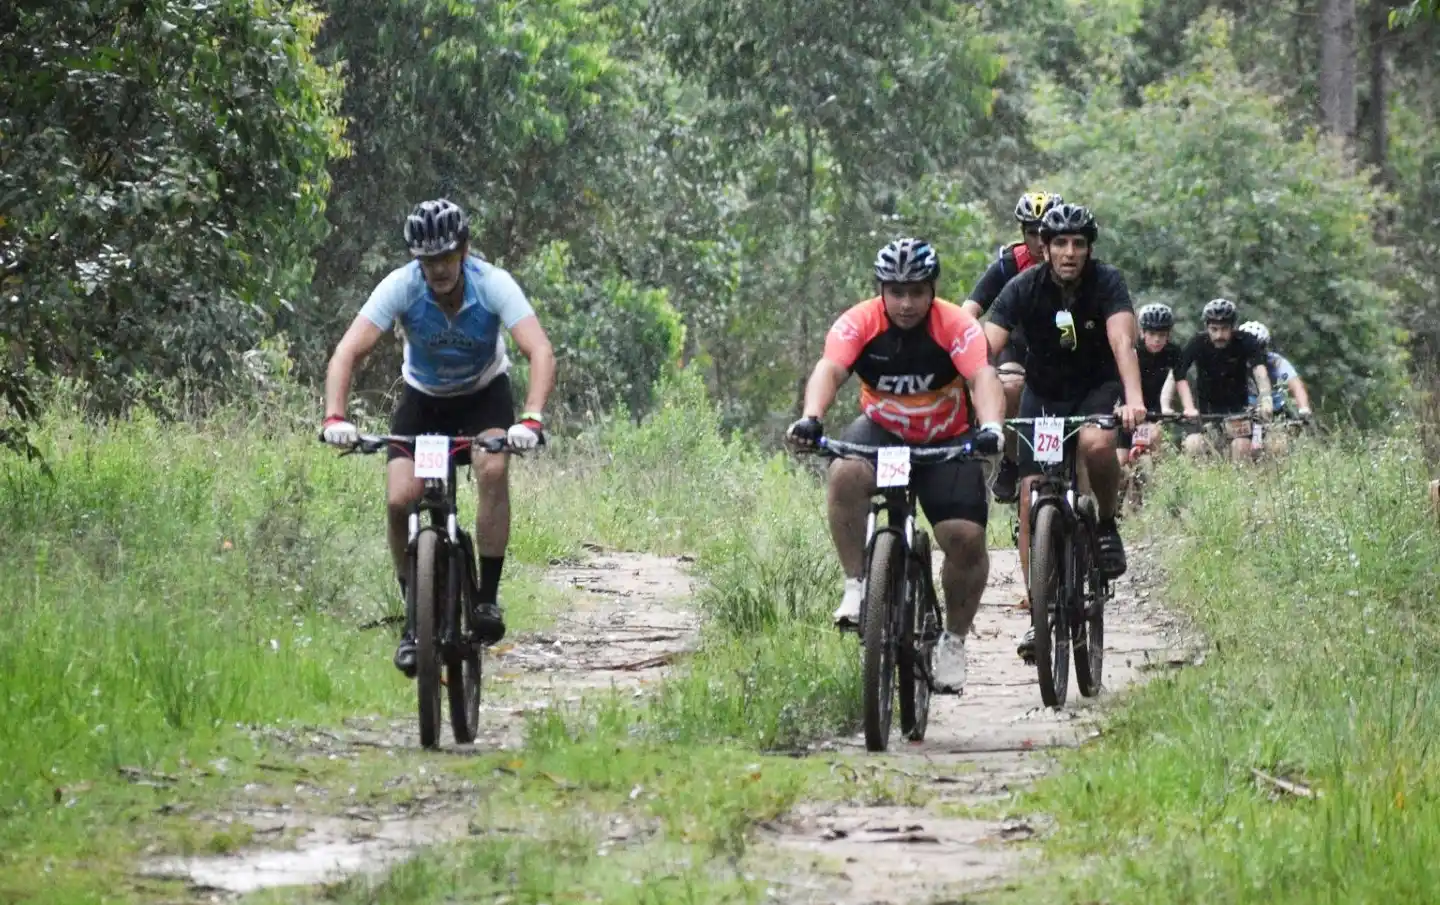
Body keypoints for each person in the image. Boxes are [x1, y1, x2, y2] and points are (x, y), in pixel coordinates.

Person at [320, 199, 557, 676]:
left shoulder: (493, 285)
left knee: (492, 469)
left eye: (446, 257)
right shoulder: (401, 288)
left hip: (482, 397)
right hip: (423, 401)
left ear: (464, 250)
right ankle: (415, 621)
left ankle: (486, 598)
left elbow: (540, 350)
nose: (438, 269)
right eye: (428, 260)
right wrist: (334, 417)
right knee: (398, 500)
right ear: (417, 260)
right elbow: (347, 351)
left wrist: (530, 418)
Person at [787, 238, 1006, 695]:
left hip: (947, 440)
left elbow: (982, 376)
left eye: (917, 292)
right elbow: (830, 369)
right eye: (896, 291)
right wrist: (812, 418)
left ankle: (953, 641)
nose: (907, 303)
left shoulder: (956, 324)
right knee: (845, 473)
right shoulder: (859, 322)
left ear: (932, 291)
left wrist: (990, 427)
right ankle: (857, 587)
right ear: (881, 291)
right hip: (882, 433)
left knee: (965, 540)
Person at [981, 204, 1146, 663]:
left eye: (1078, 243)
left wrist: (1133, 399)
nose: (1069, 252)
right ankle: (1040, 613)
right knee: (1032, 497)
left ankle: (1108, 524)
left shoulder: (1107, 281)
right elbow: (985, 345)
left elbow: (1121, 341)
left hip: (1097, 388)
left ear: (1089, 248)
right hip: (1045, 395)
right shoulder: (1023, 287)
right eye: (1060, 243)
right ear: (1045, 248)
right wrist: (961, 389)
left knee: (1095, 445)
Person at [962, 191, 1065, 503]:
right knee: (1009, 386)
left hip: (1064, 348)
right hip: (1018, 346)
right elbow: (969, 310)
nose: (1039, 241)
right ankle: (1011, 459)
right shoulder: (1009, 265)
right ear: (1022, 234)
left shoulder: (1074, 261)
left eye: (1045, 232)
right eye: (1031, 233)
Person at [1169, 299, 1272, 463]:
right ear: (1206, 327)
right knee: (1193, 445)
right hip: (1205, 414)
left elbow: (1260, 372)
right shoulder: (1197, 343)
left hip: (1238, 413)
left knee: (1242, 446)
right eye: (1214, 329)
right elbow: (1176, 374)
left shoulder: (1246, 341)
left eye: (1224, 329)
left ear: (1233, 327)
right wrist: (1166, 405)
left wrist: (1266, 398)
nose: (1219, 335)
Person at [1116, 303, 1195, 469]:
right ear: (1142, 332)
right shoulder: (1133, 350)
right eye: (1152, 334)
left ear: (1169, 334)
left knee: (1155, 448)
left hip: (1152, 410)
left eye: (1162, 334)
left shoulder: (1173, 352)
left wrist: (1189, 407)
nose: (1157, 339)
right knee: (1120, 462)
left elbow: (1180, 380)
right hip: (1126, 411)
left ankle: (1155, 487)